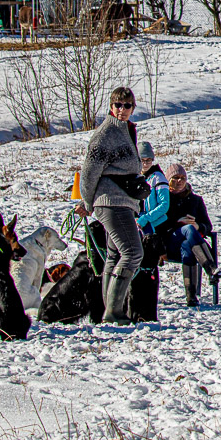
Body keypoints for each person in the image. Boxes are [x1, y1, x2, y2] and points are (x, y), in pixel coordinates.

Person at [76, 87, 145, 323]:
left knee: (115, 255)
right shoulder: (106, 133)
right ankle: (114, 311)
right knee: (133, 252)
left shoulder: (125, 130)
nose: (122, 110)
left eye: (127, 106)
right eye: (118, 105)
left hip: (122, 201)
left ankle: (110, 311)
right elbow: (88, 172)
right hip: (111, 202)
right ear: (111, 106)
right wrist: (87, 202)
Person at [161, 163, 221, 306]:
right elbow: (158, 224)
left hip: (191, 245)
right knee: (188, 230)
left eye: (182, 178)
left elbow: (208, 226)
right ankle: (211, 269)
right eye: (175, 178)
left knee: (187, 245)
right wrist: (178, 223)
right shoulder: (164, 199)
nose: (179, 181)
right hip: (170, 242)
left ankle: (191, 297)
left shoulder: (195, 200)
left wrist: (198, 226)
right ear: (168, 180)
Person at [136, 140, 170, 239]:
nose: (145, 164)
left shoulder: (158, 177)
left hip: (155, 221)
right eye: (143, 160)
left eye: (148, 160)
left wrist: (145, 219)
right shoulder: (134, 177)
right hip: (136, 219)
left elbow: (164, 205)